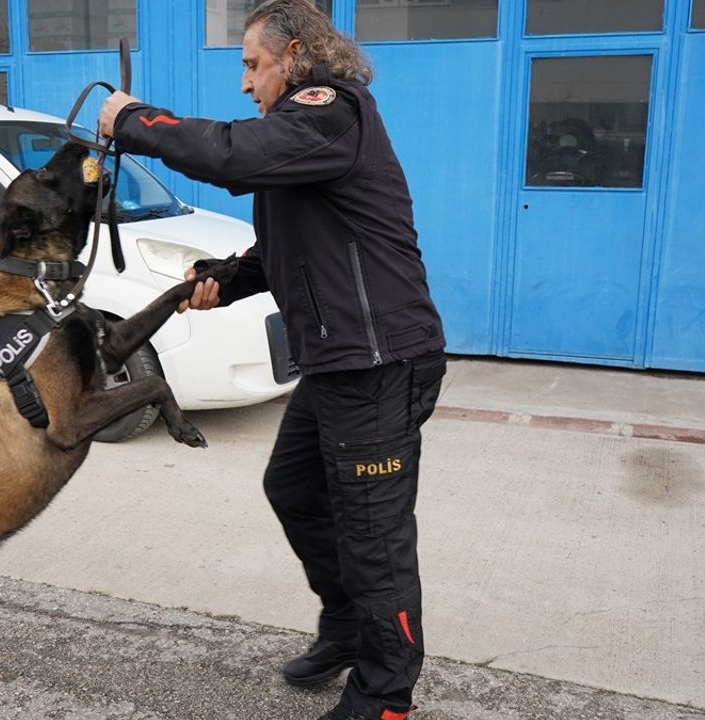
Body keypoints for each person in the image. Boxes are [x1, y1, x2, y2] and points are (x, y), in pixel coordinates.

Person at [98, 2, 445, 718]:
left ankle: (385, 696)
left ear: (294, 57)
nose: (246, 83)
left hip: (378, 366)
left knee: (374, 539)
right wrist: (222, 279)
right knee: (294, 490)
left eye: (252, 65)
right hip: (338, 363)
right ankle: (348, 628)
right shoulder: (309, 137)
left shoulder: (329, 109)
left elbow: (232, 153)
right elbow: (289, 245)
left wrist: (135, 121)